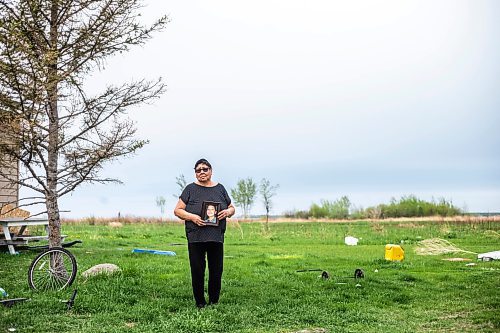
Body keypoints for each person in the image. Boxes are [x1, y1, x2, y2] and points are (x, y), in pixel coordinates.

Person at [174, 158, 235, 308]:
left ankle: (214, 301)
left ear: (211, 171)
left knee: (216, 270)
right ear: (195, 174)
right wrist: (193, 217)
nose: (201, 172)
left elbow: (232, 208)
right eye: (198, 170)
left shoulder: (220, 188)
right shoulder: (190, 189)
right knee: (197, 269)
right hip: (195, 236)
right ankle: (200, 302)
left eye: (205, 169)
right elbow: (177, 210)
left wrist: (227, 212)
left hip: (216, 237)